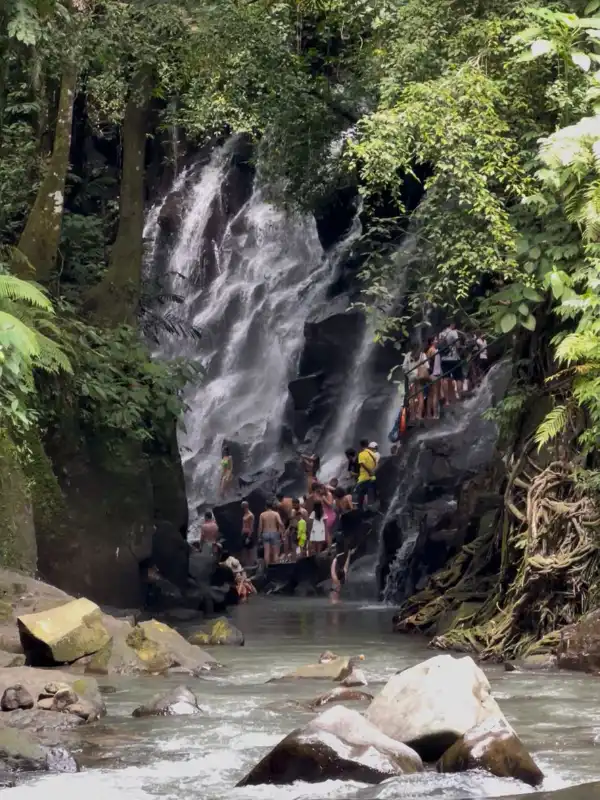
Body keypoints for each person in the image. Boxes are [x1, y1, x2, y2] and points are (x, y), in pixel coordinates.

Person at [439, 323, 463, 405]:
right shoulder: (453, 332)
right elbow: (458, 345)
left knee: (445, 378)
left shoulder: (441, 333)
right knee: (458, 378)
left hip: (444, 359)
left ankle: (447, 401)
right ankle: (459, 397)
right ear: (452, 325)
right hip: (454, 358)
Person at [258, 499, 283, 566]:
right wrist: (282, 532)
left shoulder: (262, 514)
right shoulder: (276, 514)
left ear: (266, 506)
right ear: (272, 506)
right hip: (274, 533)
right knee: (275, 552)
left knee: (266, 552)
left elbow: (260, 527)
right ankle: (276, 568)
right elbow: (280, 523)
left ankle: (267, 568)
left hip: (265, 533)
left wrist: (259, 536)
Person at [354, 439, 377, 509]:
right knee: (369, 492)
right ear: (368, 444)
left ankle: (360, 509)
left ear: (360, 445)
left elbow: (362, 463)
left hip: (364, 477)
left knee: (360, 494)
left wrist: (369, 471)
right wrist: (372, 472)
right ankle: (370, 507)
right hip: (372, 477)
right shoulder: (373, 453)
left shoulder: (361, 454)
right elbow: (375, 464)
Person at [425, 335, 441, 419]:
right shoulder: (433, 350)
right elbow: (432, 362)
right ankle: (435, 414)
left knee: (430, 394)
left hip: (430, 374)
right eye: (435, 339)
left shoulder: (428, 350)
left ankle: (428, 414)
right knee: (435, 394)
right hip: (434, 373)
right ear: (432, 342)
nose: (437, 340)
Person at [240, 501, 256, 567]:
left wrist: (249, 537)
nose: (243, 508)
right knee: (245, 549)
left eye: (243, 507)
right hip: (244, 533)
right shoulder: (245, 514)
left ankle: (251, 564)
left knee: (249, 549)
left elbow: (251, 527)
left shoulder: (250, 515)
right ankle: (246, 563)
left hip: (248, 534)